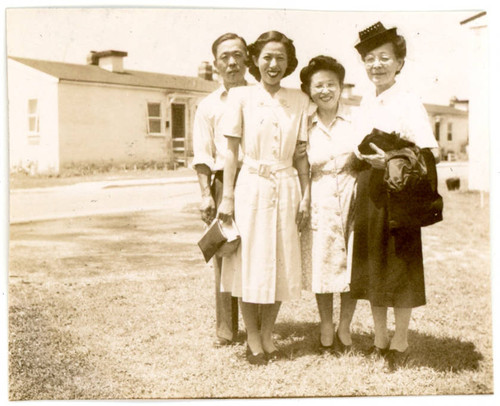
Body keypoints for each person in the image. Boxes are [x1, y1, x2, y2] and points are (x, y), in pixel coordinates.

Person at [350, 22, 439, 371]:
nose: (377, 65)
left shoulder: (408, 101)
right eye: (370, 59)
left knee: (399, 267)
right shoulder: (365, 101)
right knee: (373, 263)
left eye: (384, 58)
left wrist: (389, 159)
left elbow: (426, 155)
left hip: (400, 195)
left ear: (399, 62)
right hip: (370, 192)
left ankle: (400, 339)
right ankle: (378, 337)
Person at [218, 31, 310, 365]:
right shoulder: (240, 96)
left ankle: (268, 332)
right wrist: (226, 197)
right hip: (251, 186)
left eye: (280, 58)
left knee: (281, 260)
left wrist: (306, 196)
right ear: (255, 60)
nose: (273, 64)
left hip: (286, 186)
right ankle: (252, 336)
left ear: (289, 64)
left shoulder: (299, 99)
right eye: (267, 57)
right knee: (250, 262)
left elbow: (301, 155)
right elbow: (230, 152)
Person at [298, 56, 359, 355]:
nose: (325, 91)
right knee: (321, 261)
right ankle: (325, 325)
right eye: (318, 85)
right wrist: (305, 198)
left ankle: (344, 326)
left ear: (340, 87)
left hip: (352, 192)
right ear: (309, 90)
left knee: (351, 262)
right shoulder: (305, 123)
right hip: (320, 194)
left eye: (331, 84)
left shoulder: (355, 118)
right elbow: (301, 166)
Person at [191, 32, 248, 348]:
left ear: (247, 59)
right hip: (221, 182)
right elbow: (201, 154)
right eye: (225, 56)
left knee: (254, 251)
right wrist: (205, 194)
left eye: (238, 54)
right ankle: (226, 328)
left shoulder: (258, 97)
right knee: (224, 253)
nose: (232, 61)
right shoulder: (208, 105)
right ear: (215, 63)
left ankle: (256, 325)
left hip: (254, 179)